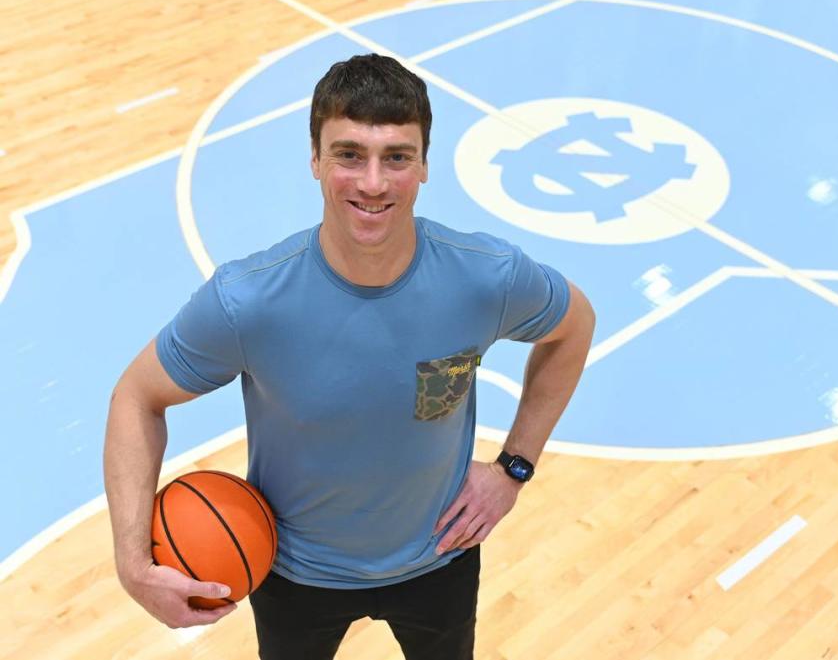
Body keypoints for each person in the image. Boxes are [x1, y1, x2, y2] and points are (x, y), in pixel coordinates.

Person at [103, 53, 595, 660]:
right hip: (293, 576)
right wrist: (132, 562)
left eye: (396, 156)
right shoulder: (248, 301)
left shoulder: (486, 279)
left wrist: (513, 468)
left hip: (441, 559)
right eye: (348, 154)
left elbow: (575, 327)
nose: (372, 182)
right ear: (314, 161)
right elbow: (136, 397)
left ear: (423, 166)